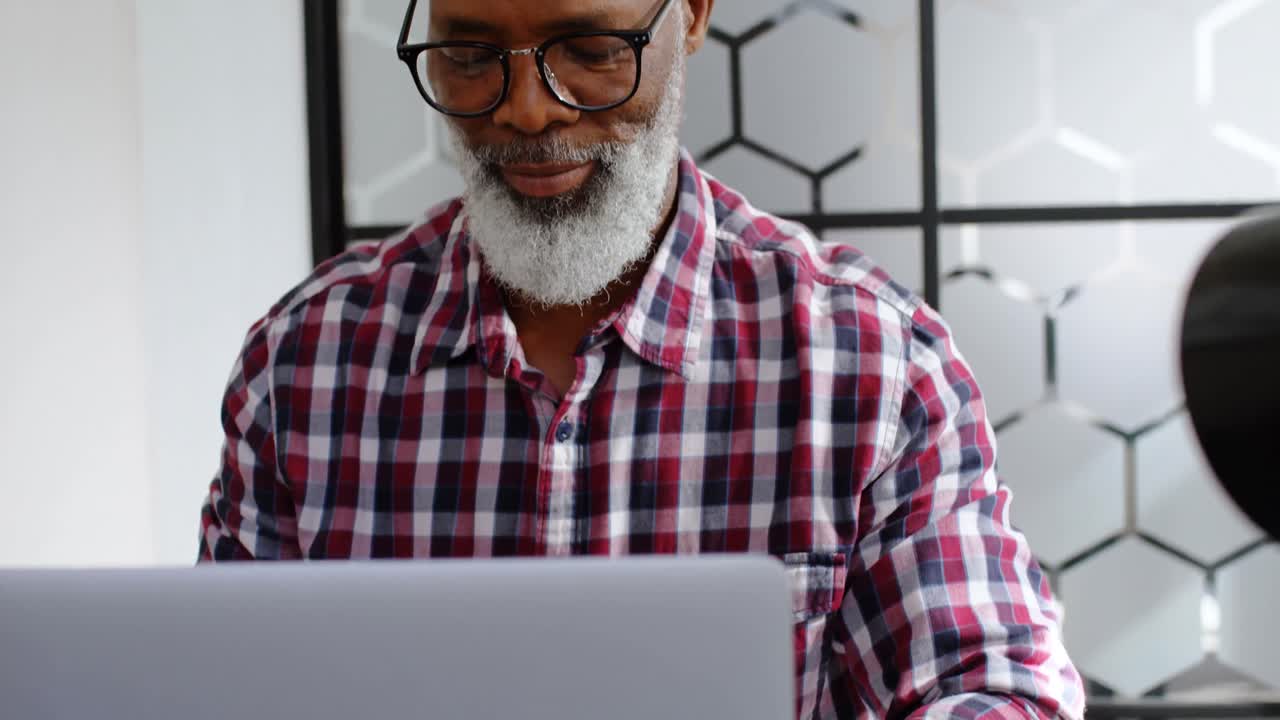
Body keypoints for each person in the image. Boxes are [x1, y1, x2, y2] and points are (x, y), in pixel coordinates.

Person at [197, 0, 1085, 717]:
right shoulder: (305, 364)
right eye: (470, 58)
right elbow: (218, 689)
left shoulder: (870, 362)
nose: (527, 110)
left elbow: (994, 686)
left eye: (586, 47)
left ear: (692, 16)